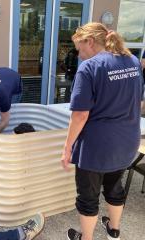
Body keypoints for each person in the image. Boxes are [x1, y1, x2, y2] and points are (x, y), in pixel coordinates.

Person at [61, 23, 143, 240]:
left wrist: (67, 147)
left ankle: (86, 238)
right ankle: (114, 231)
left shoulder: (89, 68)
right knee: (114, 187)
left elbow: (79, 115)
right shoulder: (132, 61)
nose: (79, 55)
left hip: (97, 149)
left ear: (89, 41)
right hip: (126, 144)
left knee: (88, 197)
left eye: (79, 48)